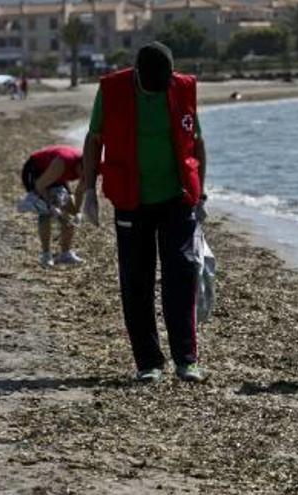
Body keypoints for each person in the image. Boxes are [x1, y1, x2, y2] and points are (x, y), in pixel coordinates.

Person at [81, 42, 208, 383]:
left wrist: (201, 194)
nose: (158, 88)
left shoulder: (181, 87)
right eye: (152, 83)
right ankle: (148, 362)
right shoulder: (111, 90)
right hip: (131, 199)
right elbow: (94, 140)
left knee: (181, 273)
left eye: (163, 81)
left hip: (176, 197)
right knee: (136, 280)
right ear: (137, 73)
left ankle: (186, 359)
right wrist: (88, 189)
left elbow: (196, 140)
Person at [21, 145, 85, 267]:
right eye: (85, 173)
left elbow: (80, 191)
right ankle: (46, 255)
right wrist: (51, 205)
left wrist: (77, 212)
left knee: (70, 212)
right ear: (80, 166)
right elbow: (40, 185)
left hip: (57, 175)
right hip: (35, 171)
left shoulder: (90, 168)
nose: (85, 177)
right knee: (45, 212)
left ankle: (65, 254)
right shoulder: (62, 163)